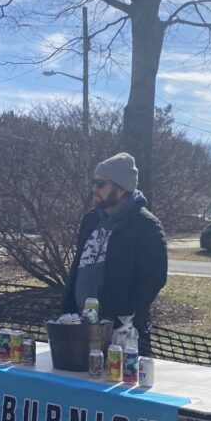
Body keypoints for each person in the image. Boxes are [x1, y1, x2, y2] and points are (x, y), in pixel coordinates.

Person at [60, 151, 168, 355]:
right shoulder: (91, 220)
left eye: (100, 184)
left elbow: (154, 278)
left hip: (120, 337)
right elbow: (78, 268)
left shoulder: (146, 225)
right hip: (78, 330)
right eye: (93, 182)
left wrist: (123, 314)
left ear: (121, 189)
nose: (94, 189)